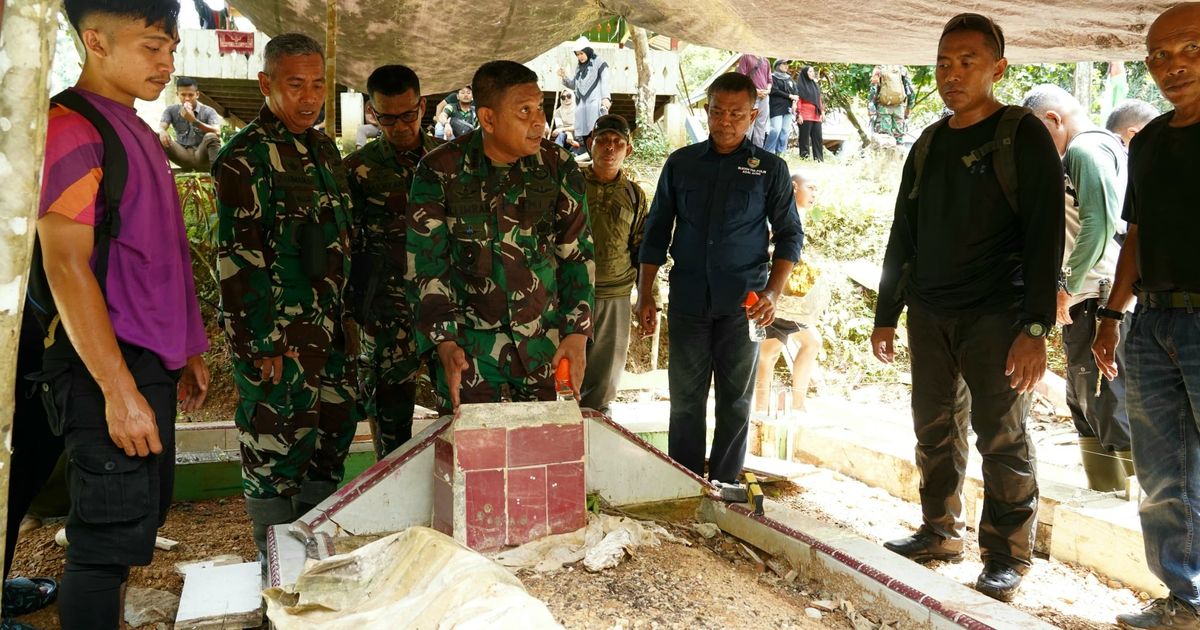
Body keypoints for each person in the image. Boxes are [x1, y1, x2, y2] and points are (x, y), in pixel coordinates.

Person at [871, 13, 1063, 603]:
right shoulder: (929, 142)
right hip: (931, 313)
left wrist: (1036, 326)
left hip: (997, 316)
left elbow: (1045, 234)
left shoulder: (1019, 132)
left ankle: (1006, 555)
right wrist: (886, 312)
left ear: (998, 68)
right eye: (944, 63)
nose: (952, 75)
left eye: (967, 62)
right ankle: (938, 532)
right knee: (933, 430)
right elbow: (904, 232)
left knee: (1001, 435)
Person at [32, 1, 210, 627]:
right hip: (105, 363)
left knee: (137, 518)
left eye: (171, 47)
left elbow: (150, 251)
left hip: (143, 359)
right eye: (152, 47)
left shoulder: (132, 124)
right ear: (96, 41)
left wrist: (182, 349)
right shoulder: (73, 128)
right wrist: (117, 388)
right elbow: (65, 266)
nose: (167, 62)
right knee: (103, 548)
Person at [212, 32, 358, 559]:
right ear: (266, 84)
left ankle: (314, 555)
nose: (309, 97)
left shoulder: (322, 149)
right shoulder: (243, 159)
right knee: (275, 453)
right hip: (278, 343)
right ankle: (272, 564)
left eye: (318, 84)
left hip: (331, 338)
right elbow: (238, 261)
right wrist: (259, 346)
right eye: (294, 85)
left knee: (330, 443)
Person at [637, 72, 803, 483]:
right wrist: (645, 293)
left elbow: (789, 235)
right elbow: (656, 230)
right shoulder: (682, 164)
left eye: (735, 114)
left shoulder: (770, 169)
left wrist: (773, 293)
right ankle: (685, 482)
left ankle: (726, 485)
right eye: (717, 111)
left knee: (735, 402)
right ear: (706, 111)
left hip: (744, 308)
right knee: (686, 402)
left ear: (752, 115)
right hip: (689, 302)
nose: (724, 121)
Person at [1094, 4, 1200, 627]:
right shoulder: (1153, 138)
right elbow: (1136, 233)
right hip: (1153, 322)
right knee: (1164, 474)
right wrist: (1112, 314)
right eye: (1158, 55)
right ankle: (1185, 600)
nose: (1170, 66)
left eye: (1188, 48)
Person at [407, 60, 594, 412]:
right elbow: (428, 265)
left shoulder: (559, 166)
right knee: (472, 457)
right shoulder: (439, 171)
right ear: (488, 119)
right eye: (524, 111)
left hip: (543, 347)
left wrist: (577, 331)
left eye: (539, 107)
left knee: (542, 455)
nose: (539, 121)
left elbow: (577, 254)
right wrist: (444, 343)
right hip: (469, 353)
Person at [1023, 84, 1133, 492]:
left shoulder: (1085, 151)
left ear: (1053, 119)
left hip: (1096, 294)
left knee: (1106, 401)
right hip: (1087, 295)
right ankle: (1105, 491)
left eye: (1039, 137)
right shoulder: (1092, 151)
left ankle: (1125, 501)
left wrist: (1066, 285)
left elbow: (1100, 225)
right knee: (1086, 401)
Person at [344, 65, 442, 458]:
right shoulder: (357, 170)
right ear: (372, 113)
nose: (399, 126)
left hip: (444, 310)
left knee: (460, 412)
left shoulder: (447, 161)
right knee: (390, 430)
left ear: (423, 106)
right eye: (387, 118)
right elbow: (346, 246)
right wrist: (352, 314)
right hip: (385, 316)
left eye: (408, 115)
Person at [579, 115, 648, 416]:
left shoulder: (634, 193)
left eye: (618, 143)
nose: (610, 148)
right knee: (564, 371)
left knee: (604, 381)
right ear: (589, 144)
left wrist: (647, 296)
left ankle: (597, 430)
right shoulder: (570, 183)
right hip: (570, 292)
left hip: (615, 294)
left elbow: (642, 248)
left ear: (628, 150)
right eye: (603, 141)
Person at [754, 173, 830, 414]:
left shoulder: (799, 216)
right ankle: (761, 410)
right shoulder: (776, 216)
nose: (815, 195)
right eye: (811, 188)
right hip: (776, 295)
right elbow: (761, 248)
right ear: (794, 187)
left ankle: (796, 404)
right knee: (769, 352)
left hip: (792, 300)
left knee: (809, 343)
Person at [158, 76, 223, 172]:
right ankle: (160, 174)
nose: (187, 99)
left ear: (197, 94)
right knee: (157, 136)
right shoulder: (171, 110)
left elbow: (217, 132)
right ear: (177, 94)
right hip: (182, 155)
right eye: (183, 95)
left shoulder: (208, 111)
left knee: (211, 136)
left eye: (190, 95)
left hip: (201, 155)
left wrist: (194, 121)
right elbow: (162, 126)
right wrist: (162, 131)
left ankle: (218, 174)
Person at [558, 41, 611, 146]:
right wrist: (564, 76)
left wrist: (606, 97)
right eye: (577, 54)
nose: (580, 56)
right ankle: (590, 154)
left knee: (596, 129)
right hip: (581, 104)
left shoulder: (599, 62)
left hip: (594, 102)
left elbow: (605, 80)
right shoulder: (579, 68)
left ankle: (598, 153)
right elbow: (574, 85)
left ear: (587, 51)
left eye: (582, 53)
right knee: (583, 133)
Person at [870, 65, 917, 144]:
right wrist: (909, 107)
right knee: (899, 138)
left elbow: (873, 91)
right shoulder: (902, 69)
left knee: (884, 139)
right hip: (899, 109)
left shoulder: (879, 69)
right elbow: (911, 91)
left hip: (883, 109)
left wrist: (871, 108)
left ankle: (885, 155)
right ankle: (899, 154)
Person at [736, 53, 773, 148]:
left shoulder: (765, 60)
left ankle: (758, 151)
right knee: (748, 123)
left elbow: (769, 80)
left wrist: (767, 90)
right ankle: (743, 149)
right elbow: (741, 78)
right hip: (750, 95)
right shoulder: (746, 57)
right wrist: (755, 91)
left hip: (764, 96)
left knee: (761, 125)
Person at [765, 60, 799, 155]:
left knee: (785, 131)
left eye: (787, 64)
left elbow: (795, 92)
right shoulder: (772, 77)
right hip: (776, 107)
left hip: (788, 108)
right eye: (784, 64)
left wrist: (794, 103)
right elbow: (774, 90)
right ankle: (768, 152)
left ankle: (780, 153)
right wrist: (790, 96)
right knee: (775, 129)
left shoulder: (789, 78)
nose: (786, 66)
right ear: (777, 65)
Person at [795, 66, 825, 161]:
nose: (813, 73)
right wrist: (798, 114)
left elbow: (818, 100)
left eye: (813, 71)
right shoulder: (800, 86)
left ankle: (819, 159)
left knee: (818, 139)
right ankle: (804, 158)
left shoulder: (815, 86)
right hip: (805, 115)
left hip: (816, 115)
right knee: (804, 139)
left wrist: (822, 112)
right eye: (810, 71)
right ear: (805, 73)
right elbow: (798, 100)